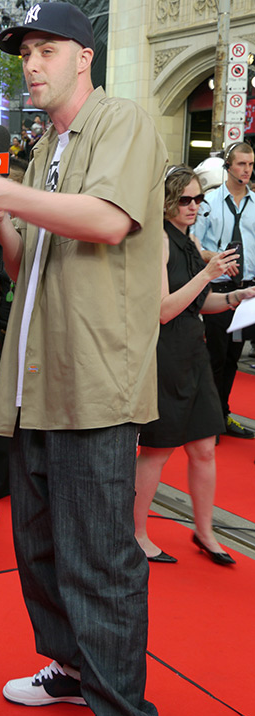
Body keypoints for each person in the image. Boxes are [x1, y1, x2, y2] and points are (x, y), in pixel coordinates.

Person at [0, 4, 166, 716]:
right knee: (40, 551)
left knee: (99, 561)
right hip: (31, 384)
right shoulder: (42, 152)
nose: (31, 64)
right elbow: (24, 259)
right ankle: (69, 669)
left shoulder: (121, 121)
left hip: (92, 381)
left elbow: (107, 220)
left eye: (47, 49)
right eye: (25, 51)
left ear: (84, 56)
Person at [134, 166, 255, 566]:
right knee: (158, 449)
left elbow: (199, 304)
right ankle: (135, 532)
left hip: (193, 351)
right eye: (184, 199)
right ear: (167, 201)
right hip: (165, 354)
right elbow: (163, 310)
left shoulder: (189, 241)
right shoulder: (158, 241)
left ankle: (205, 531)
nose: (193, 206)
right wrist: (207, 273)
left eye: (198, 199)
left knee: (204, 447)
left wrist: (236, 297)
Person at [192, 141, 255, 439]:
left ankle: (222, 415)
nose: (247, 170)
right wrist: (215, 259)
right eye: (241, 164)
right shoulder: (208, 202)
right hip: (218, 290)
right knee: (214, 358)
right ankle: (207, 421)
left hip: (248, 292)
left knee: (233, 357)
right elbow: (194, 245)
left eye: (251, 164)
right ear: (228, 166)